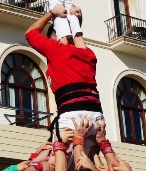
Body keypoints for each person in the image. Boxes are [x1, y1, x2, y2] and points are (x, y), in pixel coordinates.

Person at [23, 9, 103, 144]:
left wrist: (52, 13)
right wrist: (75, 19)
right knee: (89, 161)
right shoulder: (89, 54)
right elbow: (77, 40)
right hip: (96, 117)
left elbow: (30, 33)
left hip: (71, 113)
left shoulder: (56, 50)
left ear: (53, 37)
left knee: (60, 159)